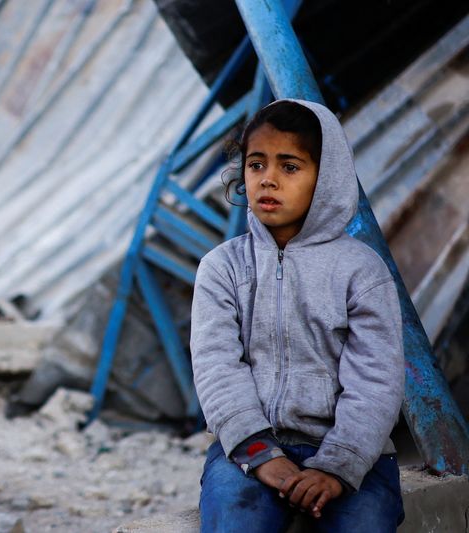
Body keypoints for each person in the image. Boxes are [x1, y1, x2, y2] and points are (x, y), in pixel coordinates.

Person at [190, 98, 406, 532]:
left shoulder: (361, 271)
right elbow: (216, 367)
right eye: (256, 165)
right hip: (247, 450)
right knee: (235, 519)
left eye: (290, 167)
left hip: (354, 454)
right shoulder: (223, 267)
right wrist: (259, 452)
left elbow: (377, 379)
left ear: (325, 178)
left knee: (364, 524)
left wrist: (338, 466)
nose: (268, 179)